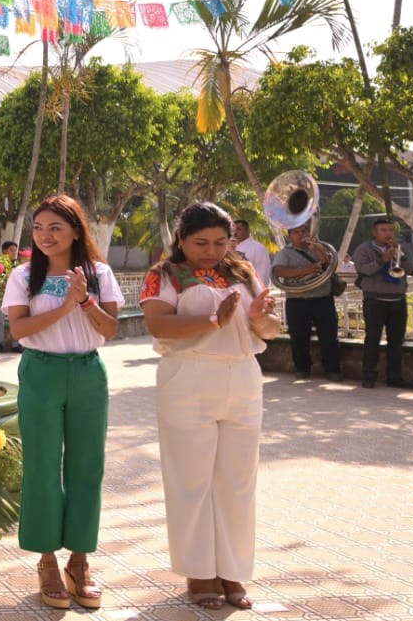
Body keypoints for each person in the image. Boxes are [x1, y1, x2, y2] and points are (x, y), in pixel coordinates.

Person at [139, 202, 281, 611]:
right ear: (181, 239)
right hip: (188, 377)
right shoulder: (164, 274)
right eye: (200, 242)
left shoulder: (243, 272)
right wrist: (213, 321)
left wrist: (259, 318)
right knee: (192, 479)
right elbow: (158, 324)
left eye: (220, 242)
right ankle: (199, 572)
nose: (211, 250)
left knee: (238, 480)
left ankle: (233, 571)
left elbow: (268, 331)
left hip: (242, 375)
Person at [1, 195, 123, 610]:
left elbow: (109, 330)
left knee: (87, 467)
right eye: (39, 228)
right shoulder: (23, 276)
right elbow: (19, 329)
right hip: (41, 373)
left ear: (75, 231)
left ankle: (80, 561)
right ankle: (47, 561)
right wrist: (66, 306)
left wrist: (85, 300)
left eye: (55, 227)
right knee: (42, 466)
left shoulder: (100, 273)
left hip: (88, 373)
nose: (45, 236)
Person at [352, 217, 413, 389]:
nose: (387, 233)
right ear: (374, 233)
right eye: (383, 230)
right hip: (374, 300)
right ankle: (369, 376)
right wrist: (383, 259)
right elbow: (363, 269)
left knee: (396, 341)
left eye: (390, 230)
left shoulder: (401, 248)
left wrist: (400, 257)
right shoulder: (364, 249)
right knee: (372, 339)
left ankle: (395, 377)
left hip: (397, 300)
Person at [271, 220, 341, 381]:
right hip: (297, 300)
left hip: (322, 298)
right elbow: (279, 271)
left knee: (329, 336)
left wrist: (317, 248)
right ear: (290, 237)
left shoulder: (319, 248)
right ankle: (302, 368)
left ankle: (332, 369)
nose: (301, 235)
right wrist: (306, 270)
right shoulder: (285, 253)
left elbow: (328, 264)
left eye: (303, 231)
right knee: (298, 337)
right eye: (296, 232)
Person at [0, 240, 24, 354]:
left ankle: (16, 344)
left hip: (15, 296)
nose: (14, 252)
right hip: (0, 295)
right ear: (4, 251)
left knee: (15, 319)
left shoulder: (18, 265)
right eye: (11, 249)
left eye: (15, 249)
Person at [231, 219, 272, 289]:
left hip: (252, 289)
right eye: (233, 229)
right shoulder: (228, 247)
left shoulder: (258, 248)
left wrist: (261, 290)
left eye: (238, 229)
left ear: (248, 231)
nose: (235, 232)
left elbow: (263, 271)